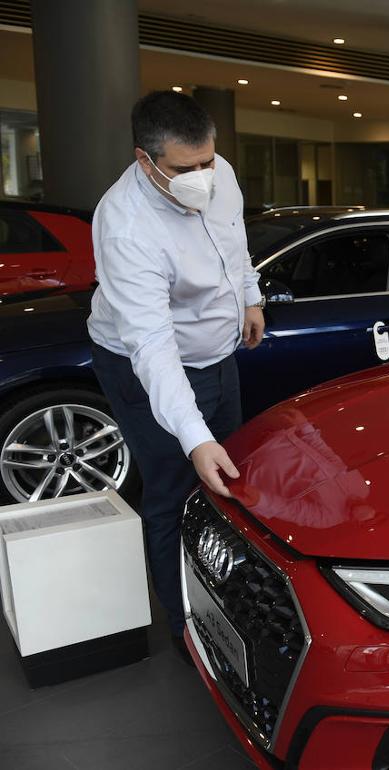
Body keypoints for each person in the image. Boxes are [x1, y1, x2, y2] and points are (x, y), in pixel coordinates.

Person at [88, 91, 264, 662]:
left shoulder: (220, 173)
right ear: (146, 161)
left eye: (207, 161)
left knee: (227, 481)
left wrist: (250, 297)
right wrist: (193, 436)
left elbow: (234, 240)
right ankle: (187, 627)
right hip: (145, 367)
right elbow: (153, 346)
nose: (202, 178)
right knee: (172, 491)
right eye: (185, 169)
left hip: (217, 352)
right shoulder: (125, 227)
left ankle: (236, 599)